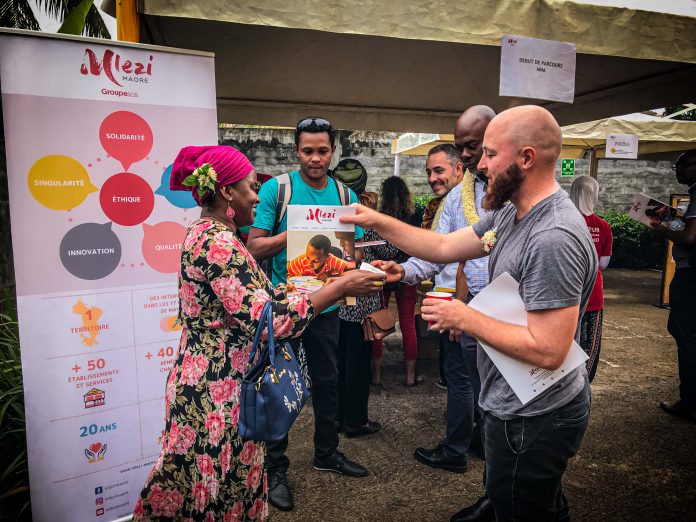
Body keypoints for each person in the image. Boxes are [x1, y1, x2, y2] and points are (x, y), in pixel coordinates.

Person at [343, 105, 597, 522]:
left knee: (524, 508)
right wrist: (374, 219)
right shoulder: (511, 211)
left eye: (490, 154)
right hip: (514, 400)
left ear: (526, 158)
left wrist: (463, 317)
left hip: (535, 414)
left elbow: (550, 349)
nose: (478, 164)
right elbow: (443, 247)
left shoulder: (554, 236)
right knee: (534, 501)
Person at [133, 146, 383, 521]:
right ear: (227, 192)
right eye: (251, 187)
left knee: (221, 486)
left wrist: (339, 275)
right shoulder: (217, 244)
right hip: (214, 392)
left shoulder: (215, 234)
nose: (256, 195)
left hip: (219, 381)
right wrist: (337, 287)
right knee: (214, 491)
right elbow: (269, 320)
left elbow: (260, 299)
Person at [247, 117, 369, 512]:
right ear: (295, 151)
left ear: (332, 151)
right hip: (284, 307)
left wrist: (353, 257)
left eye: (322, 151)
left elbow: (358, 251)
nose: (315, 159)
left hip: (328, 307)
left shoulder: (344, 192)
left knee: (328, 382)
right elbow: (254, 247)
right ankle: (275, 468)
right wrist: (296, 231)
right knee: (279, 387)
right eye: (307, 151)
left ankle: (327, 453)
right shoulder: (276, 190)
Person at [332, 158, 383, 437]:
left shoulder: (329, 210)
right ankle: (357, 421)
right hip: (361, 302)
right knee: (359, 363)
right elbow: (387, 251)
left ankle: (338, 418)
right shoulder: (365, 214)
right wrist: (374, 215)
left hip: (334, 300)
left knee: (338, 362)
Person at [652, 150, 696, 423]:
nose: (677, 169)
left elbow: (690, 237)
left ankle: (689, 401)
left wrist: (663, 229)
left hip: (691, 275)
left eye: (683, 164)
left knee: (686, 333)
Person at [370, 176, 423, 387]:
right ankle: (410, 375)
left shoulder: (381, 217)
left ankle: (376, 375)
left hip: (384, 272)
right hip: (407, 272)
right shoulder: (415, 216)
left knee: (378, 322)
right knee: (408, 323)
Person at [569, 175, 613, 382]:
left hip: (568, 289)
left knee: (568, 336)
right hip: (594, 291)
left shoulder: (565, 221)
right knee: (591, 338)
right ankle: (584, 381)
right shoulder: (603, 226)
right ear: (593, 195)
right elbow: (603, 264)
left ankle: (566, 380)